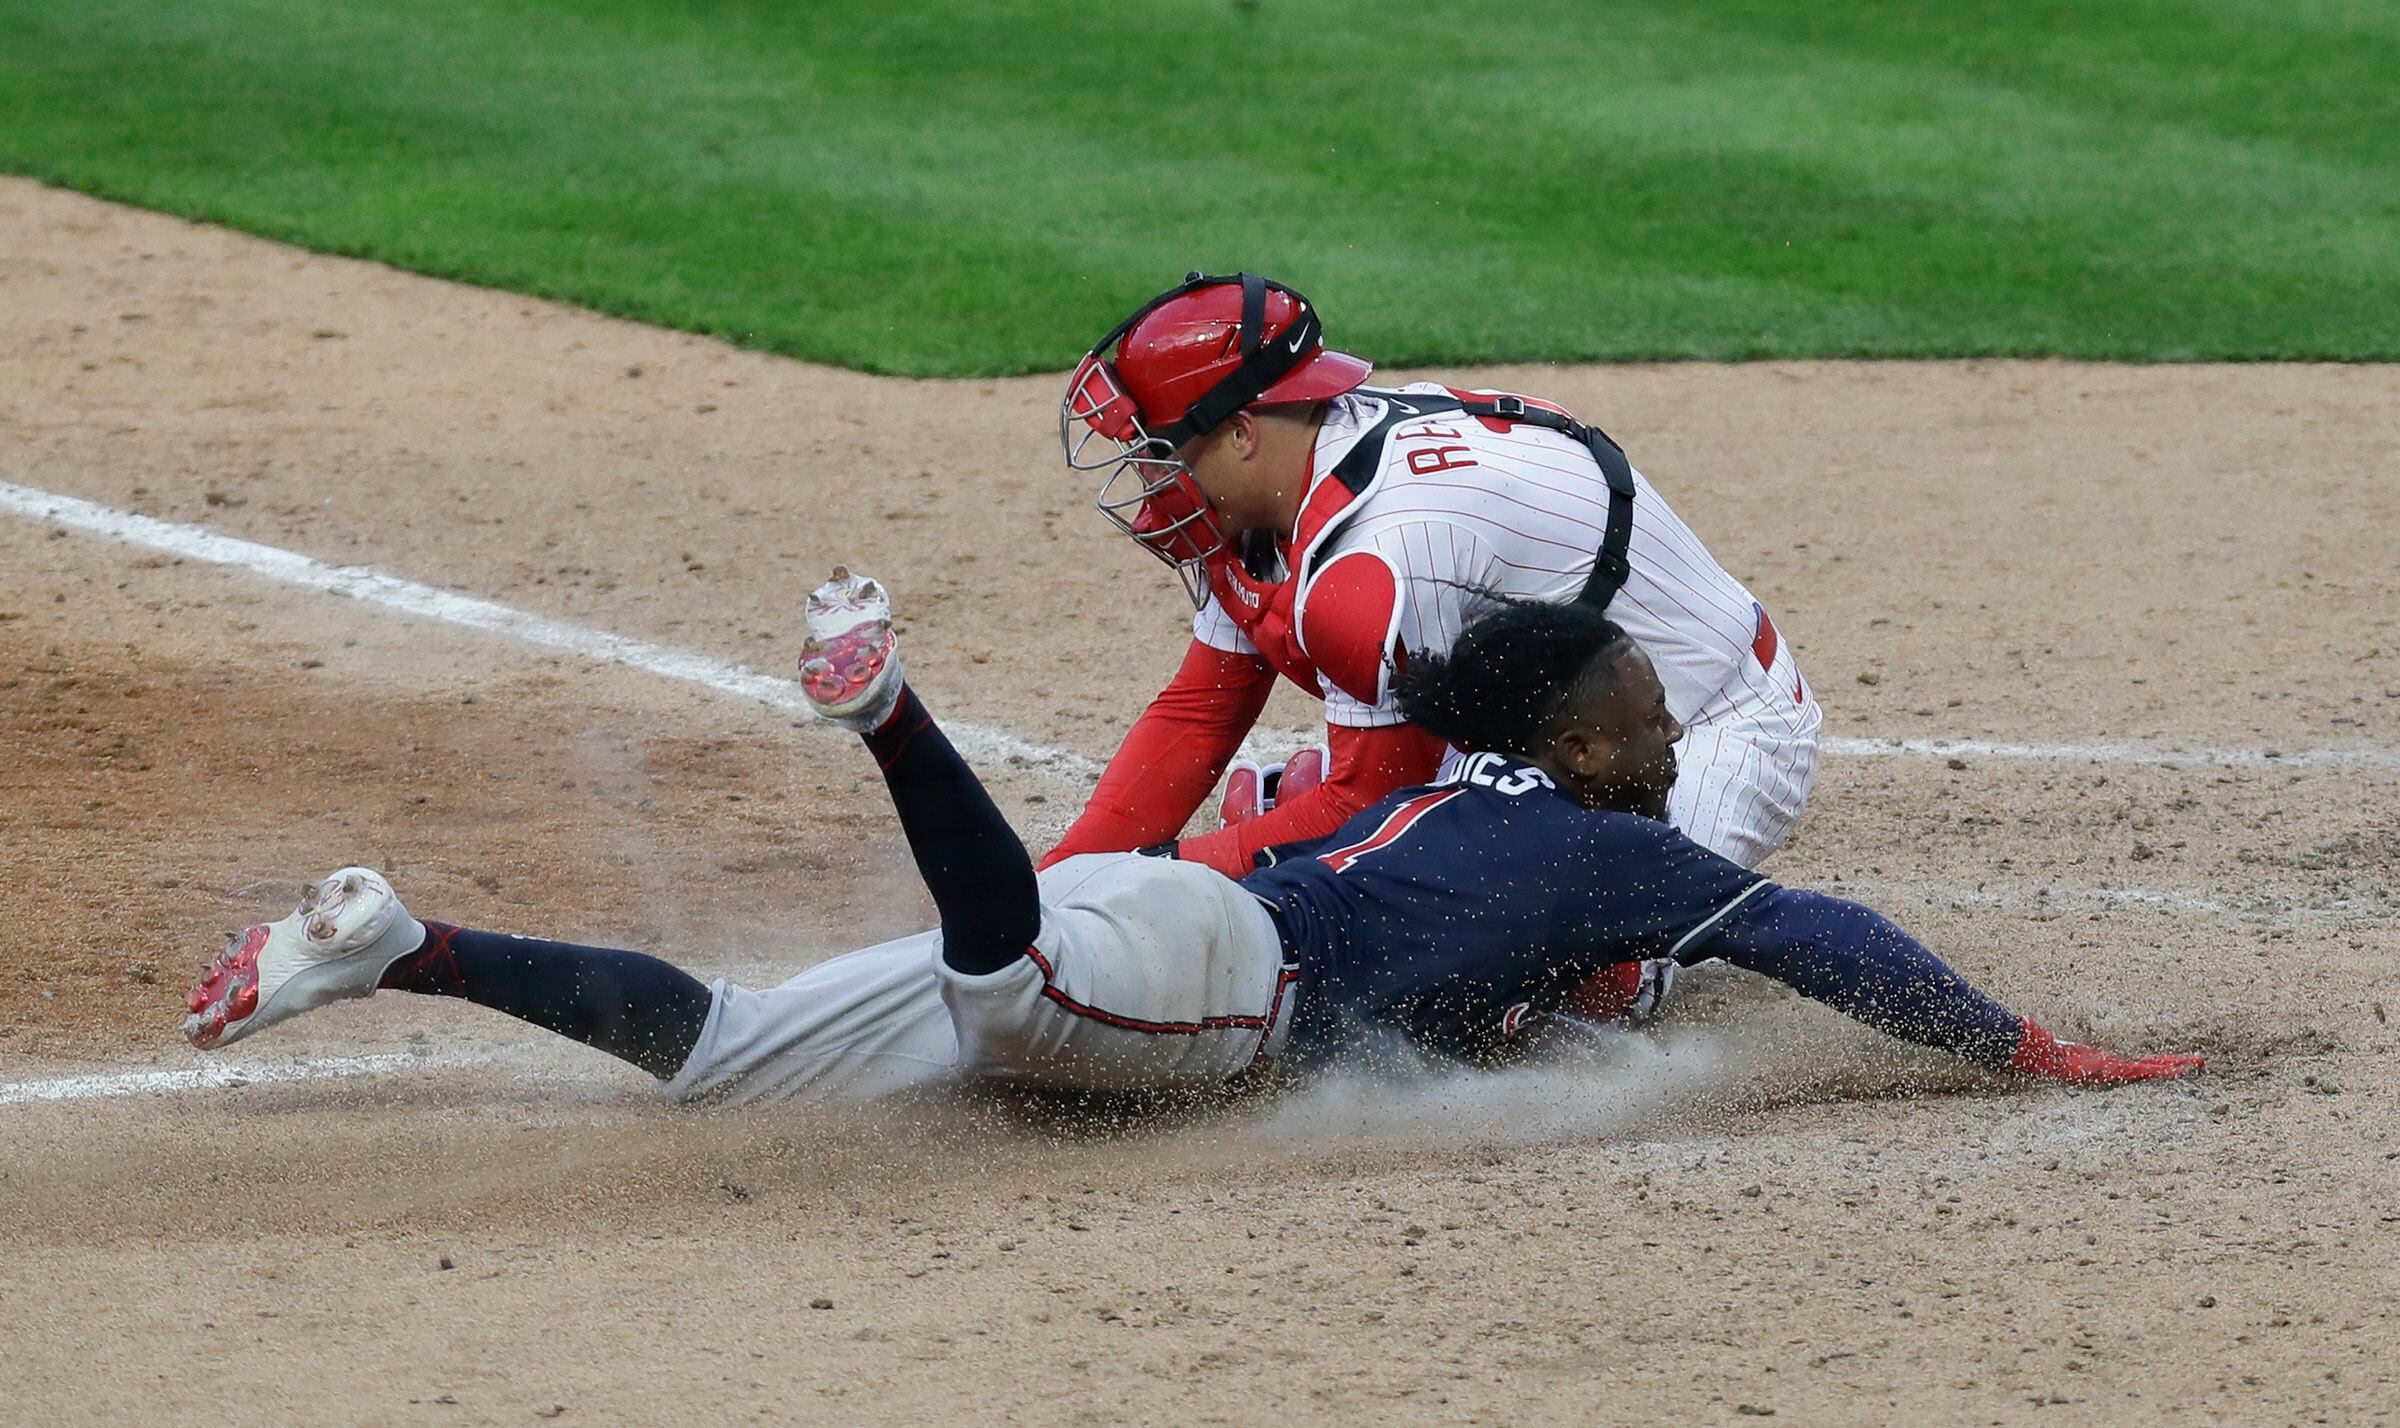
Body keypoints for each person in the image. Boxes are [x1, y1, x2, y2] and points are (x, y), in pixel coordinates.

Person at [181, 570, 2201, 1103]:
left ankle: (406, 945)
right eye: (1647, 729)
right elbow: (1825, 935)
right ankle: (892, 715)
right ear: (1578, 755)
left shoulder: (1448, 795)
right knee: (1013, 975)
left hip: (1198, 915)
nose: (1673, 758)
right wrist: (2019, 1048)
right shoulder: (1627, 856)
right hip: (1212, 986)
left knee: (717, 1054)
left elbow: (1500, 981)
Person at [1052, 273, 1822, 1019]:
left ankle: (1623, 961)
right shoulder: (1281, 489)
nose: (1151, 483)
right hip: (1543, 734)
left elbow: (1369, 799)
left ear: (1242, 433)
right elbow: (1202, 710)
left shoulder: (1383, 550)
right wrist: (1060, 885)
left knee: (1517, 966)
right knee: (1383, 868)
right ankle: (1308, 814)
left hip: (1697, 729)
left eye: (1161, 451)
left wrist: (1159, 878)